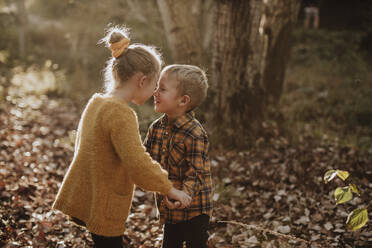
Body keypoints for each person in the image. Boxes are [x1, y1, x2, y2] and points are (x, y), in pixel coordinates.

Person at [52, 27, 191, 248]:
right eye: (155, 86)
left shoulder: (97, 103)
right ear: (142, 80)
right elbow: (137, 163)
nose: (155, 93)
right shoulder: (122, 113)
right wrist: (169, 188)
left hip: (88, 195)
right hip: (103, 204)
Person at [144, 64, 213, 248]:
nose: (155, 92)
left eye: (162, 89)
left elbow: (196, 172)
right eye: (157, 87)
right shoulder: (156, 128)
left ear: (183, 101)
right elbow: (143, 159)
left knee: (196, 244)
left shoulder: (194, 133)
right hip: (169, 207)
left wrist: (184, 195)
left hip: (195, 209)